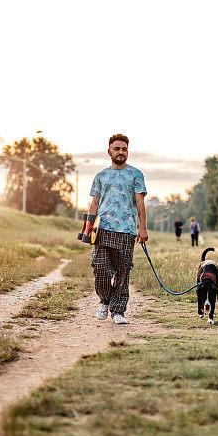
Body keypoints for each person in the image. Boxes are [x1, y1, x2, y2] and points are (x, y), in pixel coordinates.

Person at [87, 134, 148, 325]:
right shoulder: (101, 176)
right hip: (102, 229)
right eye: (117, 149)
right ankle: (105, 300)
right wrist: (88, 227)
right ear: (109, 152)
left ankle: (118, 311)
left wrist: (143, 228)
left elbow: (140, 203)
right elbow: (94, 203)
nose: (121, 152)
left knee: (122, 273)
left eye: (124, 149)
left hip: (126, 230)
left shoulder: (136, 175)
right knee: (100, 268)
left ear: (127, 151)